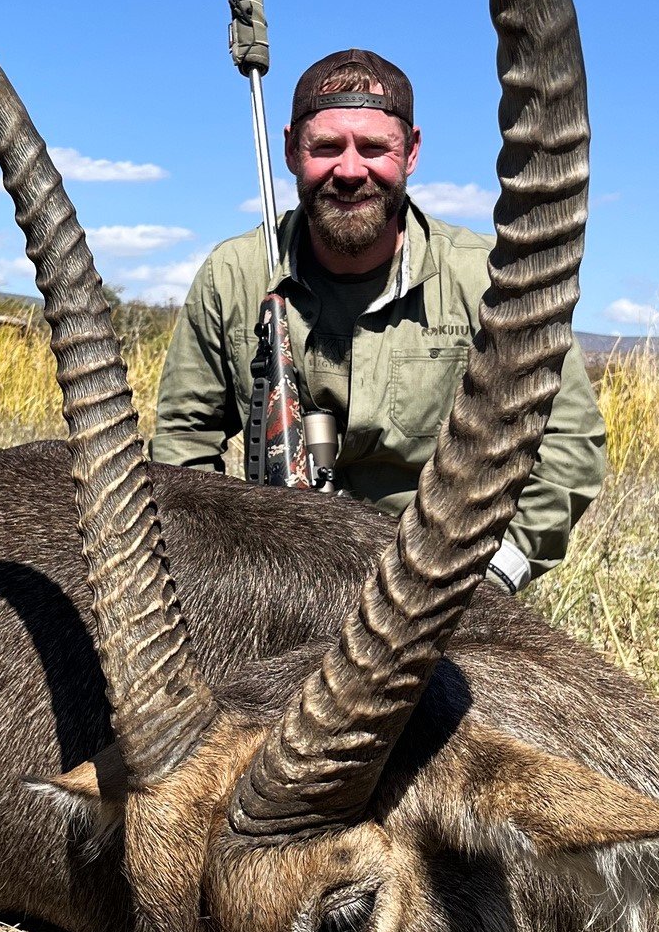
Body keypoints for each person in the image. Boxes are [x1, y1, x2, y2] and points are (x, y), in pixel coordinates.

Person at [150, 48, 606, 589]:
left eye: (373, 148)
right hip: (276, 577)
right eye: (325, 147)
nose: (349, 171)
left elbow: (569, 439)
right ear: (292, 150)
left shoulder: (490, 282)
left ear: (410, 153)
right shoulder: (233, 275)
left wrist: (498, 570)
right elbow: (183, 443)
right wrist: (215, 571)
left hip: (438, 583)